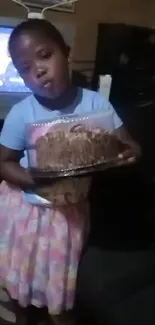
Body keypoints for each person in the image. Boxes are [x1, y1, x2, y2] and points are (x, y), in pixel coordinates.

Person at [0, 19, 139, 325]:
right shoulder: (21, 113)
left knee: (59, 275)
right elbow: (4, 162)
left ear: (66, 53)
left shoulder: (97, 104)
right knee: (23, 267)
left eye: (44, 55)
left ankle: (55, 310)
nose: (37, 70)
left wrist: (128, 154)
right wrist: (31, 179)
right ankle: (20, 308)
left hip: (70, 212)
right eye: (25, 68)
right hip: (28, 210)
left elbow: (128, 144)